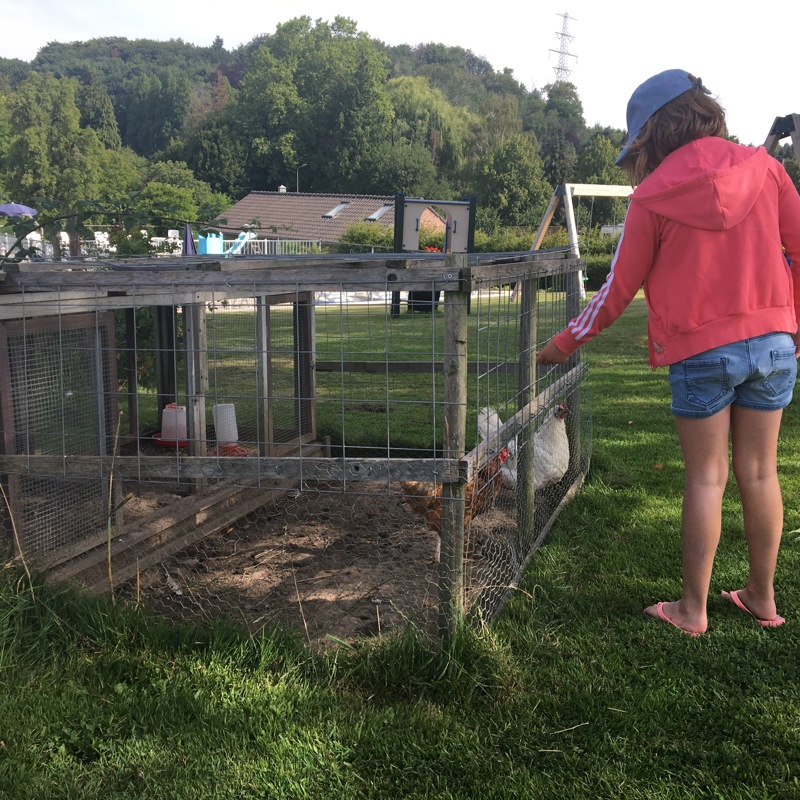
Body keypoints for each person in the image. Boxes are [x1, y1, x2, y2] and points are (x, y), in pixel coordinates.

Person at [536, 69, 800, 636]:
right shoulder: (767, 169)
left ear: (651, 133)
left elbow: (615, 291)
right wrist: (793, 326)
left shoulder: (651, 198)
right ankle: (762, 598)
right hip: (776, 343)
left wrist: (559, 345)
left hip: (702, 353)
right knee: (760, 472)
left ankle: (692, 610)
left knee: (707, 477)